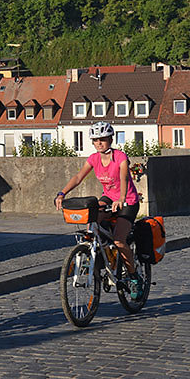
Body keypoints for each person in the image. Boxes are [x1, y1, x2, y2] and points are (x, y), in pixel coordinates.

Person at [55, 121, 143, 299]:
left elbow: (124, 177)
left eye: (103, 139)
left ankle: (134, 277)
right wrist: (62, 193)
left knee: (119, 240)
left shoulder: (120, 157)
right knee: (91, 222)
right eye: (96, 140)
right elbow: (79, 176)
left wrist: (122, 199)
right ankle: (92, 255)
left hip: (128, 200)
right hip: (108, 198)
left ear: (111, 139)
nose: (99, 143)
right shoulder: (94, 158)